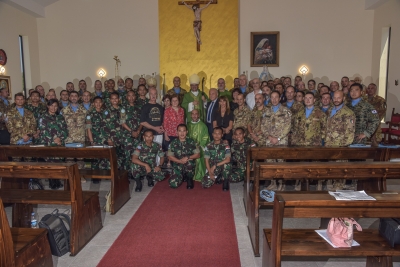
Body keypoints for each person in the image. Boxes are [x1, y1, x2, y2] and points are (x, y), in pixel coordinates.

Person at [261, 91, 292, 191]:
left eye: (276, 97)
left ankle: (281, 184)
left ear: (279, 98)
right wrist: (269, 137)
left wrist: (278, 138)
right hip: (269, 141)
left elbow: (288, 126)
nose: (274, 99)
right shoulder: (266, 112)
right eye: (272, 97)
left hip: (281, 142)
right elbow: (263, 126)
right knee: (270, 163)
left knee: (281, 163)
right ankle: (273, 182)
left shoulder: (286, 111)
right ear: (270, 98)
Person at [39, 99, 68, 189]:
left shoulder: (60, 117)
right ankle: (52, 182)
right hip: (48, 144)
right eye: (51, 106)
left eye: (55, 106)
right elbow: (43, 132)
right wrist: (54, 139)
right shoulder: (43, 117)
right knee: (50, 164)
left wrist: (60, 138)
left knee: (58, 163)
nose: (53, 108)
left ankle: (57, 180)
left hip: (59, 144)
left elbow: (65, 130)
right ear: (48, 106)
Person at [61, 90, 87, 181]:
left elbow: (87, 124)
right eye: (71, 96)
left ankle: (80, 176)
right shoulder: (64, 110)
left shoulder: (84, 110)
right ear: (69, 97)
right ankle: (70, 177)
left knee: (81, 159)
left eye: (75, 96)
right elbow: (61, 125)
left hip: (81, 138)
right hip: (69, 138)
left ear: (78, 97)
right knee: (69, 159)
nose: (74, 97)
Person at [168, 124, 200, 189]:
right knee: (173, 184)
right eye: (180, 131)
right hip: (177, 164)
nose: (182, 133)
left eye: (184, 131)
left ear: (187, 132)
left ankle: (189, 178)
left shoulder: (192, 142)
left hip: (188, 164)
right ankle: (181, 176)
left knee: (189, 164)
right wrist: (179, 161)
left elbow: (198, 155)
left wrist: (187, 157)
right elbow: (170, 156)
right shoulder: (173, 143)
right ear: (177, 132)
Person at [202, 127, 232, 191]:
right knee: (205, 184)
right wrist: (210, 172)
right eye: (215, 133)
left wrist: (215, 165)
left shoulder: (225, 144)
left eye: (219, 134)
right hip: (214, 167)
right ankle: (219, 176)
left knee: (227, 165)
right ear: (212, 134)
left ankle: (225, 181)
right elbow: (206, 160)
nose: (216, 135)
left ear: (222, 135)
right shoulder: (208, 145)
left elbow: (228, 159)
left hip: (223, 165)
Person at [120, 91, 142, 173]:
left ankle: (136, 172)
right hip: (127, 136)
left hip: (138, 135)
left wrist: (139, 130)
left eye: (133, 95)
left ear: (135, 97)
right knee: (127, 155)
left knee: (137, 154)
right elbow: (122, 122)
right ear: (126, 97)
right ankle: (126, 174)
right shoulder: (123, 108)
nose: (131, 97)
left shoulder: (139, 107)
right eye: (129, 96)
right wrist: (132, 131)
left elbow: (142, 121)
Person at [188, 109, 210, 182]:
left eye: (196, 114)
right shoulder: (188, 125)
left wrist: (199, 146)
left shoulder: (203, 125)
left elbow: (206, 137)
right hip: (190, 147)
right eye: (193, 114)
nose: (194, 115)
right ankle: (189, 175)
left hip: (200, 147)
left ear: (198, 115)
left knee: (198, 155)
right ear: (191, 115)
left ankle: (200, 175)